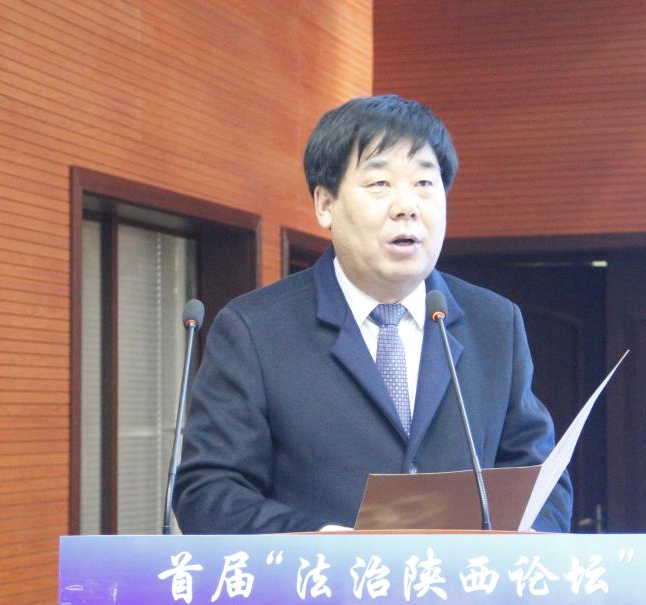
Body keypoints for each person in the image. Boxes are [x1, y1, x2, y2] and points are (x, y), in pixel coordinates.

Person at [173, 94, 571, 533]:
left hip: (464, 581)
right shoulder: (256, 329)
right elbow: (207, 492)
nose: (407, 206)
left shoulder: (494, 323)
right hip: (324, 578)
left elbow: (542, 479)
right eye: (380, 183)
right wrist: (313, 540)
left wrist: (530, 542)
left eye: (425, 183)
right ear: (325, 205)